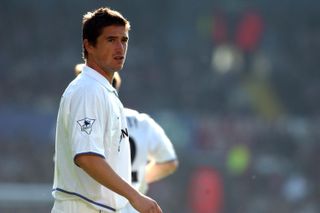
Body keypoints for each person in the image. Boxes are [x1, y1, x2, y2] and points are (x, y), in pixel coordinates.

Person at [52, 7, 162, 213]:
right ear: (89, 45)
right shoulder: (88, 90)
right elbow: (87, 157)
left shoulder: (105, 91)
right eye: (111, 40)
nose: (120, 48)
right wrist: (135, 196)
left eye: (124, 40)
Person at [74, 66, 179, 213]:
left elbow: (86, 160)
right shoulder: (142, 122)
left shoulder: (86, 122)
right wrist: (137, 182)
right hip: (132, 207)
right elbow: (169, 162)